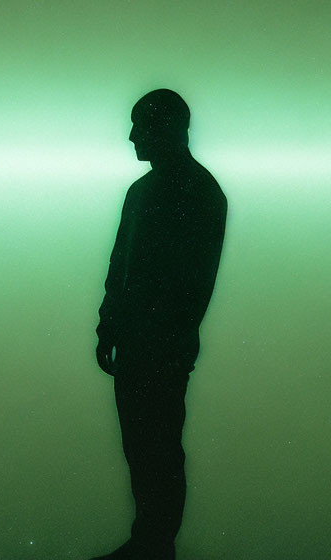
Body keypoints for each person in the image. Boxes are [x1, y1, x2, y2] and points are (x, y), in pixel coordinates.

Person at [91, 89, 227, 560]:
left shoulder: (184, 192)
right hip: (145, 345)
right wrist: (111, 325)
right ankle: (151, 541)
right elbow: (121, 265)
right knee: (146, 446)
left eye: (139, 126)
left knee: (156, 448)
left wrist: (122, 329)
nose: (131, 137)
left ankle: (153, 544)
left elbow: (188, 283)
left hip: (155, 348)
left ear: (166, 128)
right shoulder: (168, 191)